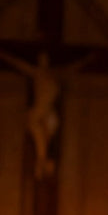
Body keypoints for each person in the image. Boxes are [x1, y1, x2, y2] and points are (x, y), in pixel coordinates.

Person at [0, 48, 94, 179]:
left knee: (45, 138)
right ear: (38, 61)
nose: (43, 62)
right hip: (39, 111)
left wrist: (88, 60)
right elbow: (18, 64)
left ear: (48, 61)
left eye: (45, 59)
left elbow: (72, 68)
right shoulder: (35, 72)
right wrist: (4, 55)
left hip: (48, 113)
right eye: (40, 59)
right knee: (39, 136)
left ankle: (43, 164)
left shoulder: (55, 74)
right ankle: (41, 164)